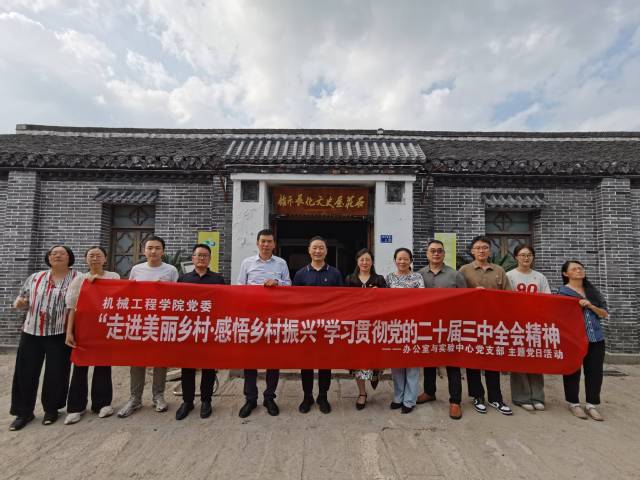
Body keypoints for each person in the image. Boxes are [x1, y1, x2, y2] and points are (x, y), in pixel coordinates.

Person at [9, 245, 77, 431]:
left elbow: (78, 305)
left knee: (57, 372)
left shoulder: (77, 278)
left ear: (69, 258)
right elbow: (22, 299)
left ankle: (51, 410)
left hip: (59, 332)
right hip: (31, 331)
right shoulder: (36, 277)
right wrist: (19, 303)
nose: (57, 255)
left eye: (62, 253)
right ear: (48, 258)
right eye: (53, 253)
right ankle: (23, 412)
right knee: (25, 372)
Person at [118, 235, 179, 418]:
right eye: (150, 248)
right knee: (137, 360)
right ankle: (135, 398)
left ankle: (158, 396)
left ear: (163, 251)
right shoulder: (136, 270)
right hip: (140, 320)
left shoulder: (171, 270)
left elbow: (178, 296)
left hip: (162, 320)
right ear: (144, 251)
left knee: (160, 359)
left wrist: (164, 289)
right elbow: (130, 294)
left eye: (157, 248)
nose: (153, 251)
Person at [236, 229, 291, 418]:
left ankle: (269, 397)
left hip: (274, 318)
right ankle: (250, 398)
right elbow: (240, 288)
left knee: (272, 359)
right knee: (250, 359)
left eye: (269, 241)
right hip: (252, 318)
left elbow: (289, 285)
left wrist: (277, 283)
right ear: (257, 243)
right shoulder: (247, 263)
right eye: (263, 241)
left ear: (274, 244)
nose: (266, 245)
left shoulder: (281, 263)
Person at [64, 246, 120, 425]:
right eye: (91, 256)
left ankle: (102, 404)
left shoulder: (113, 277)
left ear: (105, 259)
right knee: (80, 366)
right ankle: (76, 407)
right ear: (86, 259)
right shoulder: (79, 279)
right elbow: (72, 308)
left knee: (103, 365)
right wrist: (69, 331)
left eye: (98, 255)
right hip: (84, 329)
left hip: (105, 328)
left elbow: (119, 300)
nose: (95, 258)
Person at [459, 235, 513, 416]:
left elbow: (509, 296)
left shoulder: (499, 270)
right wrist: (472, 293)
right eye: (478, 248)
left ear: (490, 251)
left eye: (485, 248)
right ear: (472, 251)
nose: (481, 251)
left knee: (492, 359)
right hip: (471, 322)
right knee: (472, 359)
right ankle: (477, 396)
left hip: (493, 323)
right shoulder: (464, 270)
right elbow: (457, 295)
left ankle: (496, 398)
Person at [417, 239, 467, 420]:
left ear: (444, 254)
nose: (436, 254)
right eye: (432, 251)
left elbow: (465, 299)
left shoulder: (455, 275)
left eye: (439, 251)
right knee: (429, 359)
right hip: (428, 325)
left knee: (452, 363)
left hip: (450, 325)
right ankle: (429, 392)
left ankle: (455, 401)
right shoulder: (419, 275)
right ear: (427, 254)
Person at [175, 244, 226, 421]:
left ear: (210, 259)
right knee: (187, 367)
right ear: (193, 258)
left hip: (209, 328)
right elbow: (176, 302)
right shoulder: (183, 279)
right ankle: (187, 401)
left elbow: (224, 302)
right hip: (188, 328)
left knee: (208, 367)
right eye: (198, 255)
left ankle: (206, 400)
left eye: (205, 255)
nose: (202, 258)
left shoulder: (218, 279)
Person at [293, 236, 343, 414]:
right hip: (307, 328)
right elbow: (294, 301)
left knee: (325, 363)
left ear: (326, 251)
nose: (317, 251)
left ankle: (323, 396)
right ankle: (307, 396)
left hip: (327, 327)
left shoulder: (335, 273)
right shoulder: (300, 274)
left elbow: (341, 300)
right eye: (314, 248)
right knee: (306, 363)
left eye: (321, 248)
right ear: (309, 250)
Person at [558, 260, 608, 421]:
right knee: (572, 370)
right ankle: (574, 403)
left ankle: (591, 404)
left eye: (580, 268)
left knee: (594, 372)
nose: (579, 271)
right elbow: (559, 317)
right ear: (566, 274)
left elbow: (604, 313)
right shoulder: (562, 293)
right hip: (573, 339)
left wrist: (590, 306)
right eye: (574, 269)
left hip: (596, 338)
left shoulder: (592, 291)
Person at [507, 244, 551, 413]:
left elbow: (547, 300)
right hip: (517, 325)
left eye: (529, 255)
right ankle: (521, 397)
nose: (526, 258)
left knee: (535, 359)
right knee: (519, 359)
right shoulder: (510, 276)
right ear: (516, 257)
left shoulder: (540, 277)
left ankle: (537, 396)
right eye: (522, 255)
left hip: (535, 324)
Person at [344, 248, 387, 410]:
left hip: (375, 326)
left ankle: (375, 376)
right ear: (357, 261)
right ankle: (362, 393)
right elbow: (343, 300)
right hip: (356, 326)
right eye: (362, 259)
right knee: (358, 361)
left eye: (367, 259)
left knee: (375, 359)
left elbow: (389, 301)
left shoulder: (379, 279)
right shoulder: (350, 279)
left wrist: (379, 294)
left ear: (372, 262)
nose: (364, 262)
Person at [385, 247, 424, 414]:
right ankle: (398, 397)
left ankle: (409, 400)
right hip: (394, 325)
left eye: (405, 259)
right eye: (399, 259)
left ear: (411, 261)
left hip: (413, 324)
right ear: (395, 260)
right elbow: (383, 301)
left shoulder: (417, 277)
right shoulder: (389, 278)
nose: (402, 261)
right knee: (397, 363)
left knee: (412, 363)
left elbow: (422, 300)